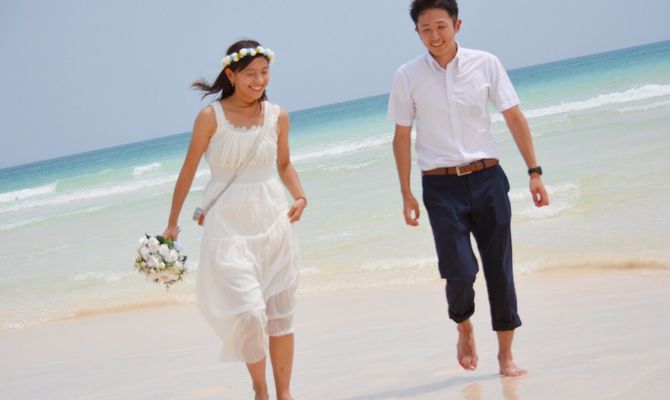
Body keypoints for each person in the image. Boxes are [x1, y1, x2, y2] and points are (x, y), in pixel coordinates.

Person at [388, 0, 549, 377]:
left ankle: (506, 356)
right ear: (416, 33)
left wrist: (534, 172)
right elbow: (401, 136)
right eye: (426, 29)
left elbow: (513, 115)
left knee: (500, 270)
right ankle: (464, 327)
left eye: (441, 26)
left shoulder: (486, 63)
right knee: (458, 270)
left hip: (488, 178)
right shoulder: (407, 76)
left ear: (457, 25)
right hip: (440, 187)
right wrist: (406, 193)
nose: (435, 36)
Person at [163, 39, 306, 400]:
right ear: (231, 74)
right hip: (228, 227)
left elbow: (284, 164)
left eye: (264, 73)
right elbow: (188, 169)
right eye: (250, 74)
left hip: (272, 220)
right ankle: (260, 388)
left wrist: (300, 196)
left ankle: (284, 394)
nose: (259, 81)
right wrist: (172, 222)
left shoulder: (278, 116)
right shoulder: (210, 117)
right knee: (249, 313)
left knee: (280, 314)